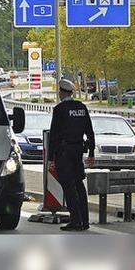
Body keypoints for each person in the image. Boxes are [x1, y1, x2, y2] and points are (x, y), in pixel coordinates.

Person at [48, 79, 95, 231]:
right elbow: (90, 131)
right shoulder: (81, 107)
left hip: (64, 153)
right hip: (77, 152)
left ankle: (75, 221)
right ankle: (85, 221)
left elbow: (54, 135)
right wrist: (92, 152)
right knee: (80, 186)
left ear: (61, 92)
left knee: (68, 187)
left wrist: (50, 158)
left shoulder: (60, 109)